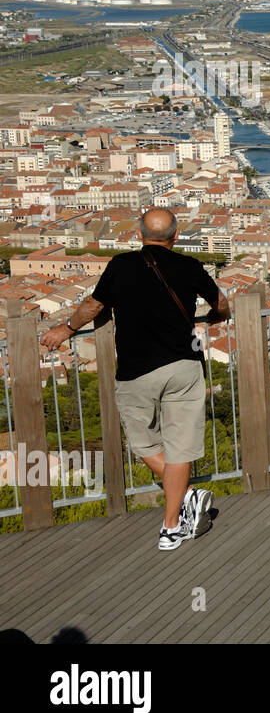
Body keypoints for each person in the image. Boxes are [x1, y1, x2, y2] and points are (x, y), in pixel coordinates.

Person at [40, 208, 229, 550]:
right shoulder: (189, 266)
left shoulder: (120, 265)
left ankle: (180, 509)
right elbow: (221, 303)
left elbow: (93, 306)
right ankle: (175, 520)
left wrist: (65, 329)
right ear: (175, 235)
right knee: (180, 447)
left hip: (136, 371)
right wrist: (216, 316)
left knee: (144, 445)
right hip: (184, 367)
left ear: (139, 234)